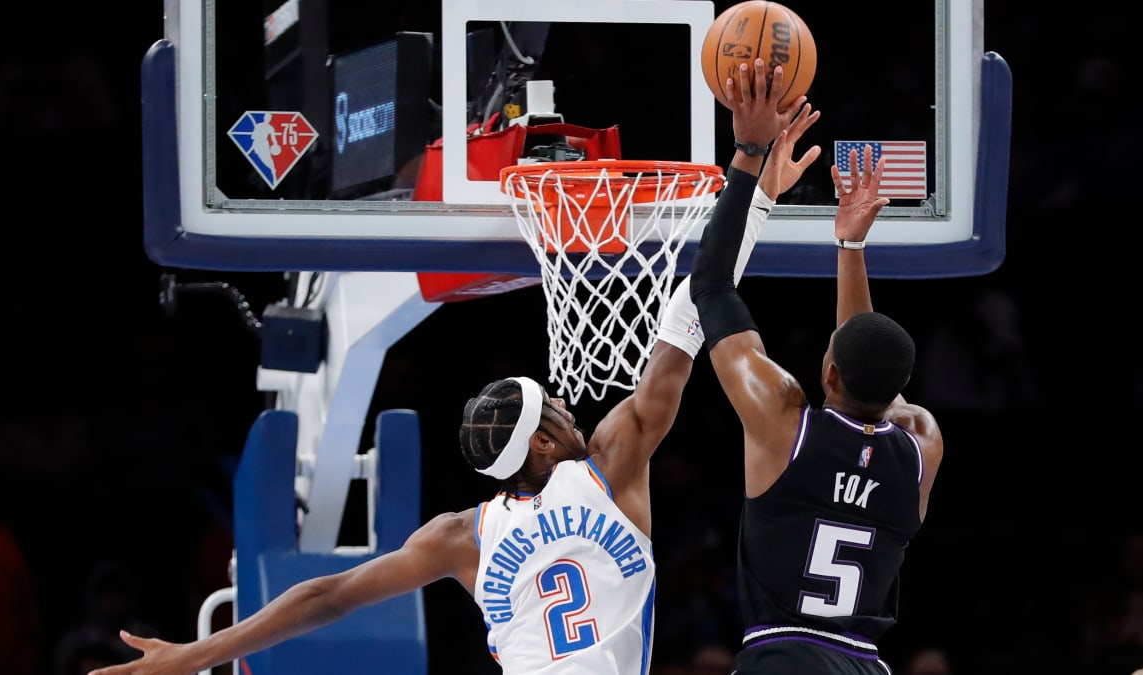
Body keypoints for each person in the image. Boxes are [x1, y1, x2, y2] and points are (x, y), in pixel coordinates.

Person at [87, 68, 822, 675]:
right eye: (554, 410)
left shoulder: (462, 536)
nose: (567, 403)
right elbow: (699, 299)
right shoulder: (613, 459)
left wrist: (196, 653)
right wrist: (750, 179)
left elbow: (325, 597)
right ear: (540, 444)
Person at [689, 58, 945, 674]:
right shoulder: (921, 446)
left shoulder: (783, 421)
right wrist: (850, 247)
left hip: (781, 658)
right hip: (863, 664)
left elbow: (711, 286)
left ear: (827, 372)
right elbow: (865, 368)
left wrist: (750, 153)